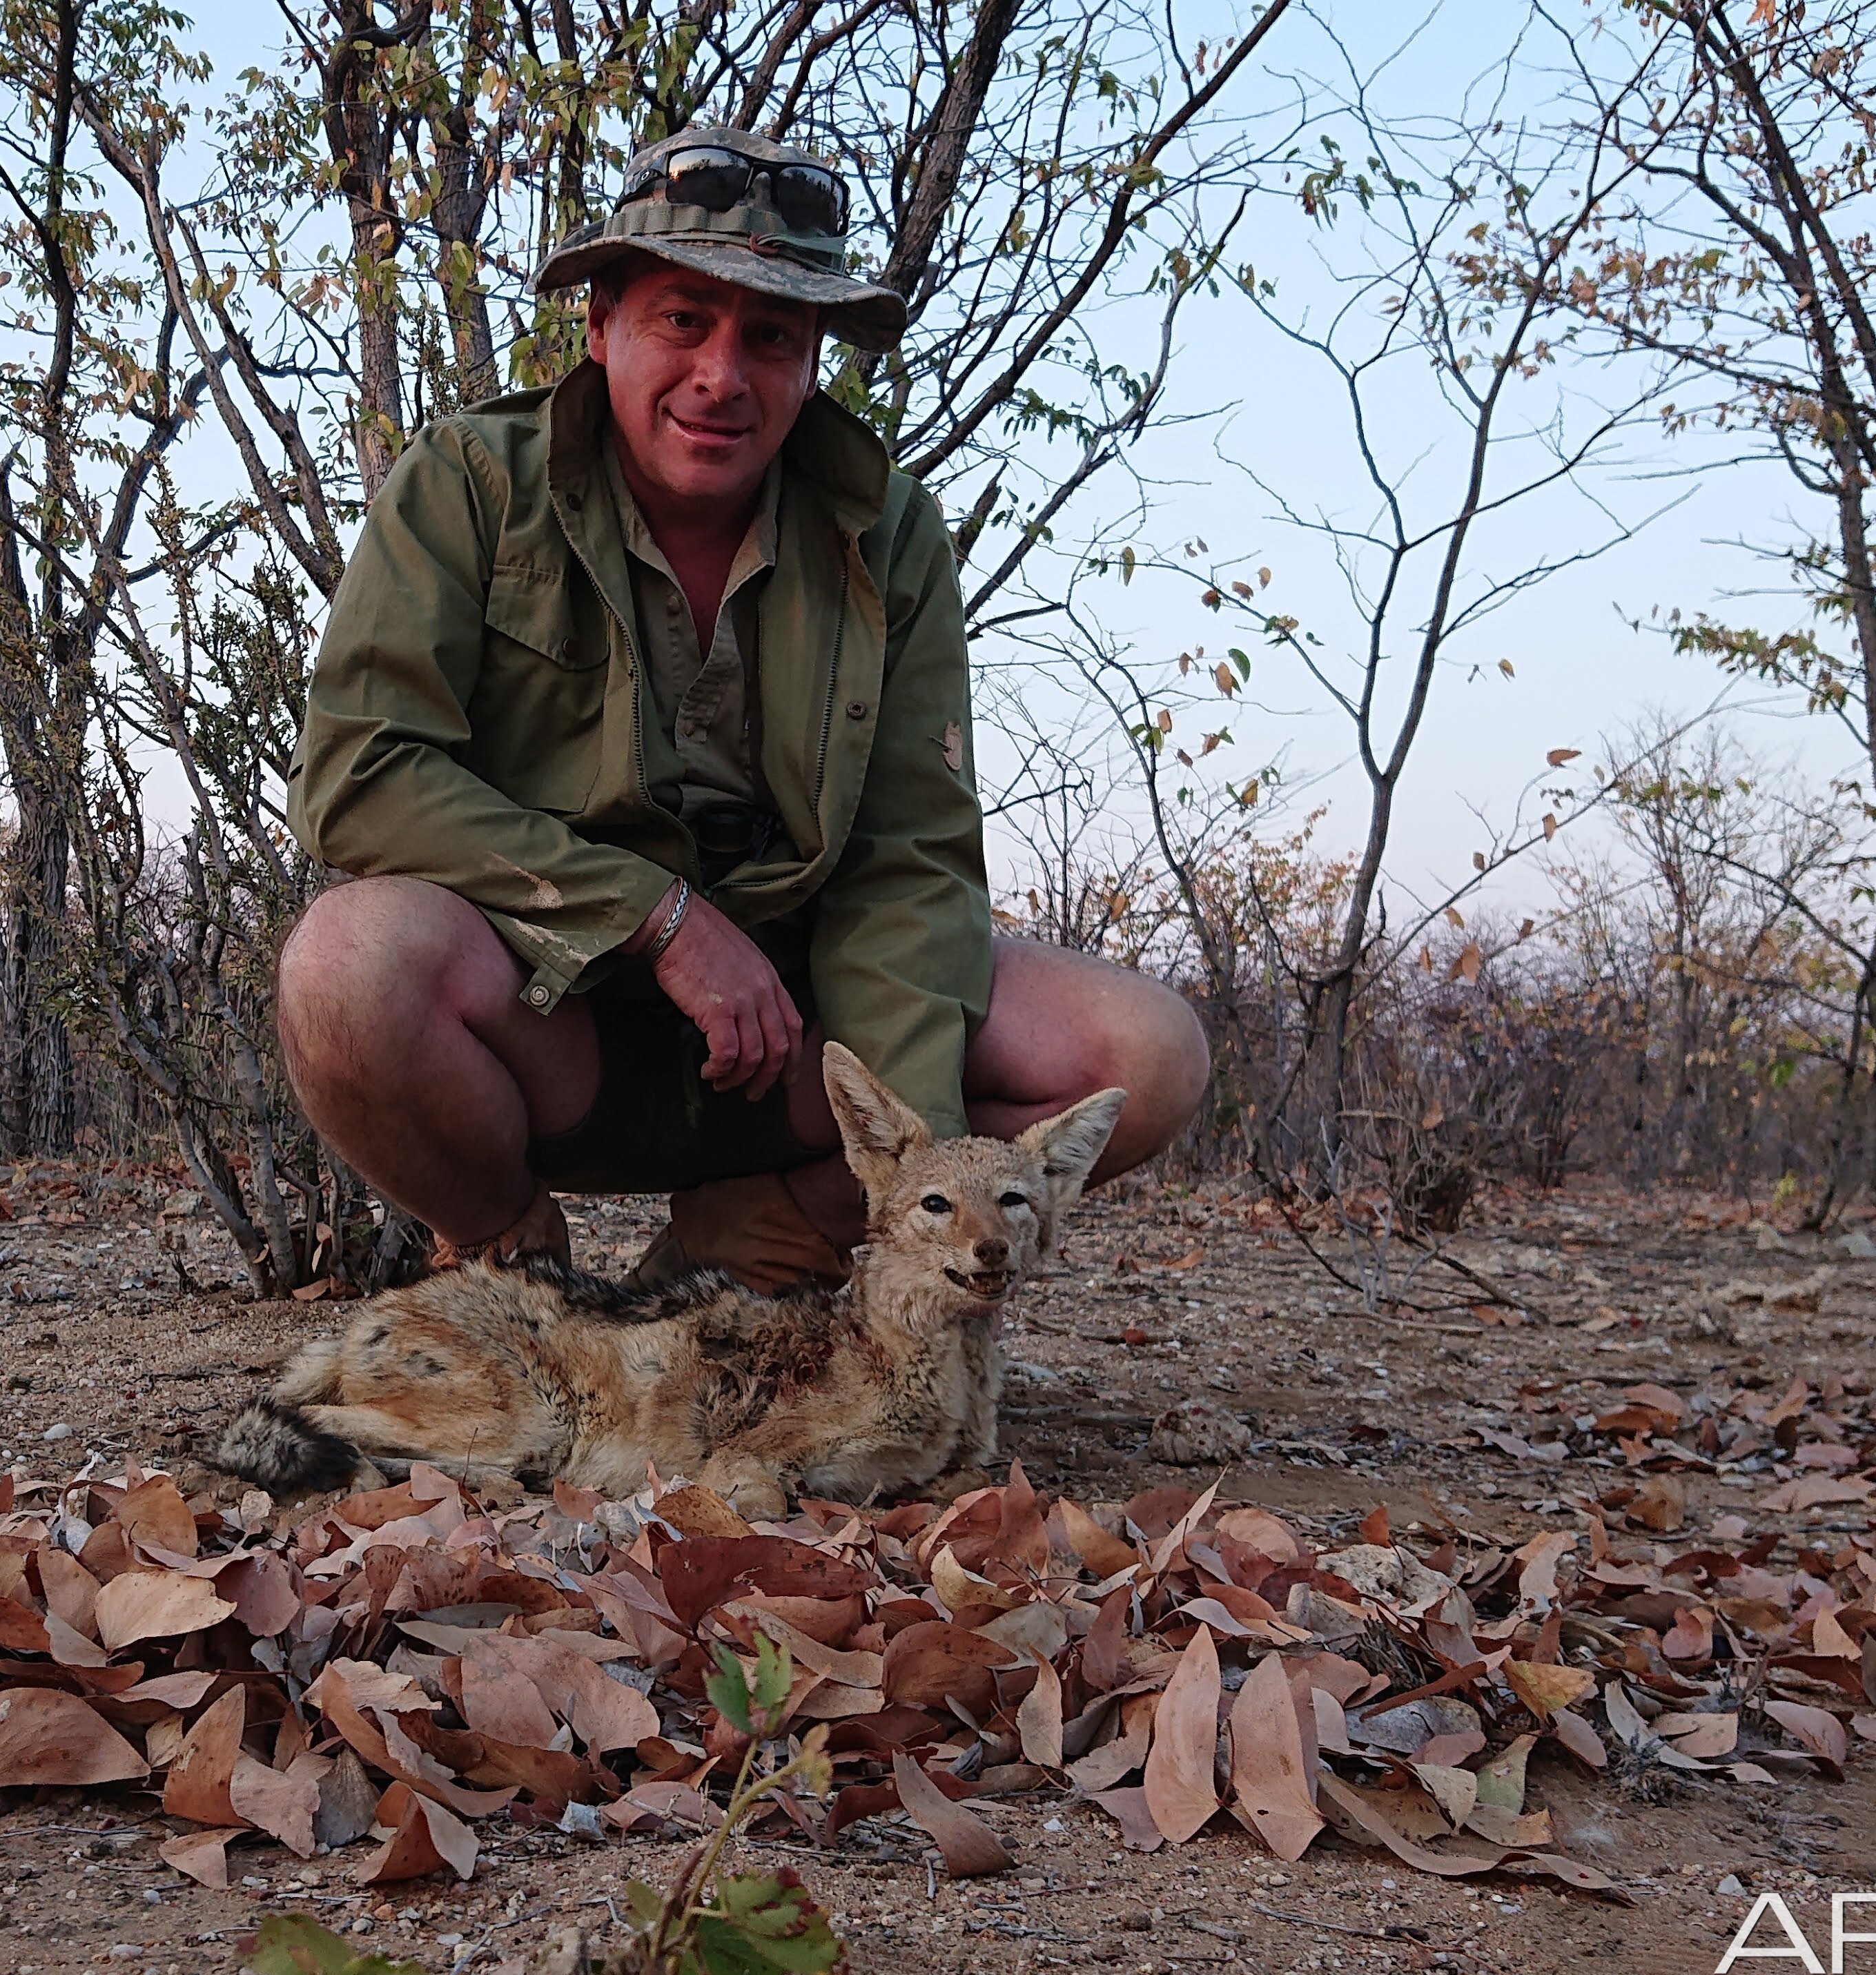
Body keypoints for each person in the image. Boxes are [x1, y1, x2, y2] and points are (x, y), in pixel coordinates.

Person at [280, 124, 1208, 1286]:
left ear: (811, 354)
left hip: (792, 1051)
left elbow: (908, 859)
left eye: (769, 335)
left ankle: (760, 1246)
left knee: (1145, 1051)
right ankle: (509, 1262)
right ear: (599, 323)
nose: (722, 376)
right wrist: (659, 920)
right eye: (682, 320)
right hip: (546, 1019)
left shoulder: (889, 529)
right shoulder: (466, 485)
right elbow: (359, 773)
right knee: (346, 966)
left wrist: (907, 1173)